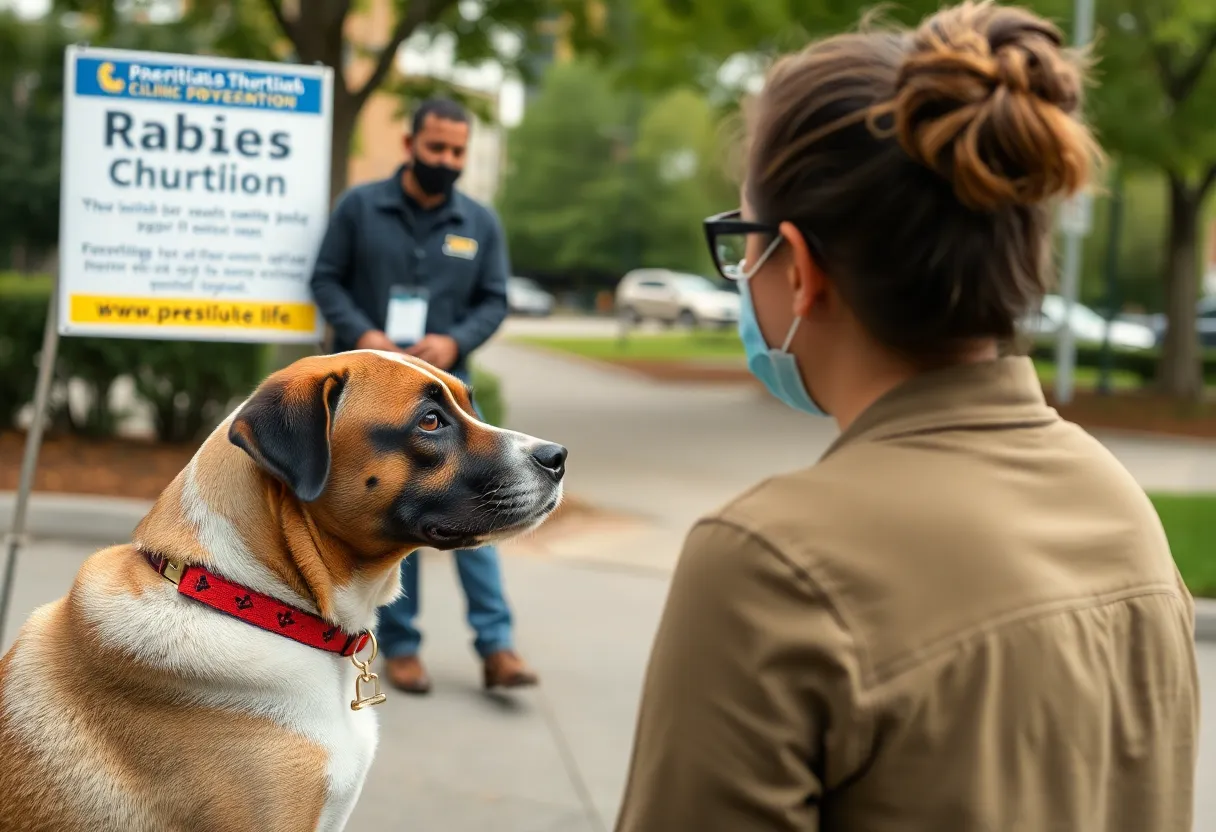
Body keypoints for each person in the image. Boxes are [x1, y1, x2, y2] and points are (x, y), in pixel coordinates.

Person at [615, 2, 1200, 830]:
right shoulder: (1122, 513)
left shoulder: (767, 565)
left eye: (742, 239)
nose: (740, 274)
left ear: (801, 268)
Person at [309, 97, 538, 695]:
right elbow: (326, 279)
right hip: (376, 405)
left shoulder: (479, 223)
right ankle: (403, 650)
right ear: (411, 145)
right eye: (436, 148)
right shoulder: (361, 207)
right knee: (399, 518)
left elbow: (493, 300)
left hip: (448, 401)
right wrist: (365, 337)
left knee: (487, 511)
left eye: (458, 151)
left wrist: (452, 339)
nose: (447, 159)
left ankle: (498, 647)